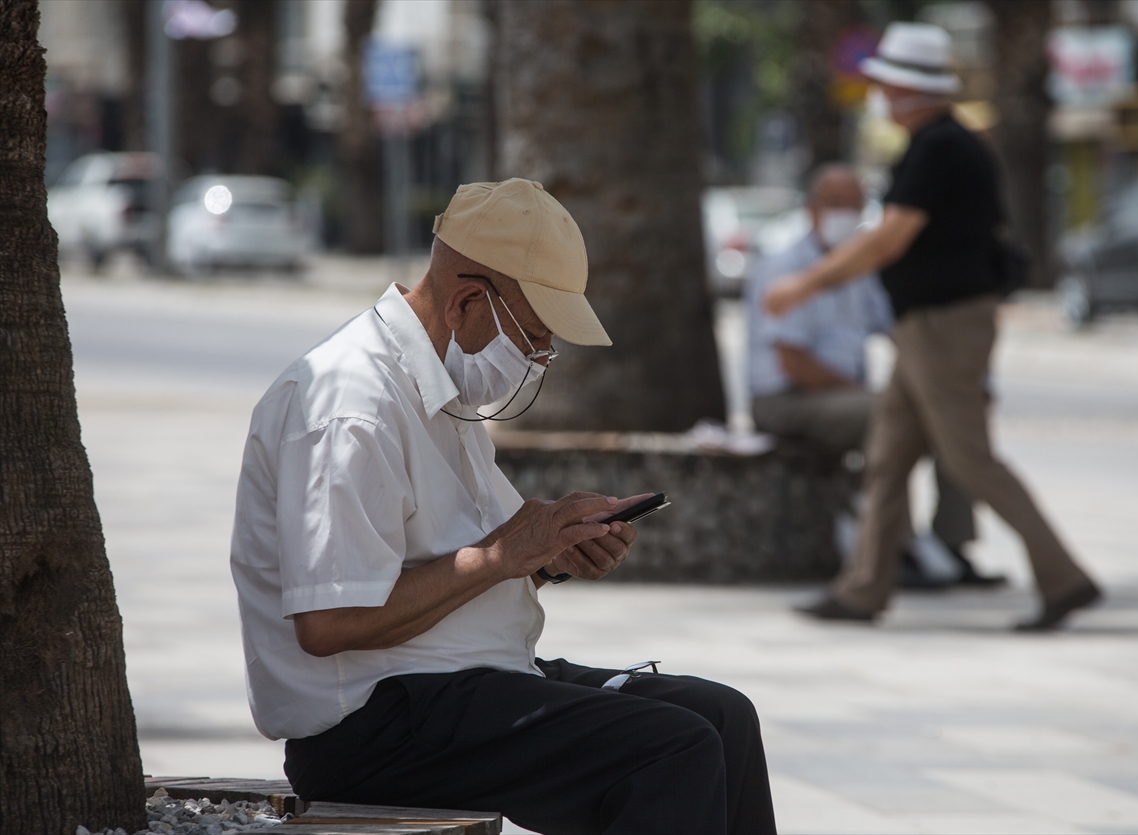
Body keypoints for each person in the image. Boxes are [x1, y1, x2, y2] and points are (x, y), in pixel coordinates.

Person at [230, 178, 776, 835]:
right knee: (672, 746)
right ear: (466, 299)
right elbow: (328, 622)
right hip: (377, 722)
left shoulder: (442, 387)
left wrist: (547, 556)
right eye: (535, 334)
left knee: (722, 715)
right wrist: (500, 556)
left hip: (462, 682)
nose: (542, 357)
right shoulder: (352, 404)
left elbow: (449, 563)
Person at [764, 23, 1101, 631]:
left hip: (944, 326)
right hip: (926, 327)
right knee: (889, 457)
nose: (882, 96)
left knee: (971, 461)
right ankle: (863, 588)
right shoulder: (943, 144)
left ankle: (1064, 577)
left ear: (908, 89)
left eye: (888, 85)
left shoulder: (941, 147)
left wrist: (804, 285)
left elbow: (890, 238)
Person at [746, 163, 1002, 589]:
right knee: (887, 415)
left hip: (843, 394)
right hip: (787, 399)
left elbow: (899, 330)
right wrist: (870, 392)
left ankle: (953, 547)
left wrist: (951, 379)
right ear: (811, 210)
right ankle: (896, 553)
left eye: (855, 205)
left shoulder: (860, 270)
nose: (847, 214)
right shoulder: (786, 267)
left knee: (953, 408)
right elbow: (793, 363)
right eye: (835, 204)